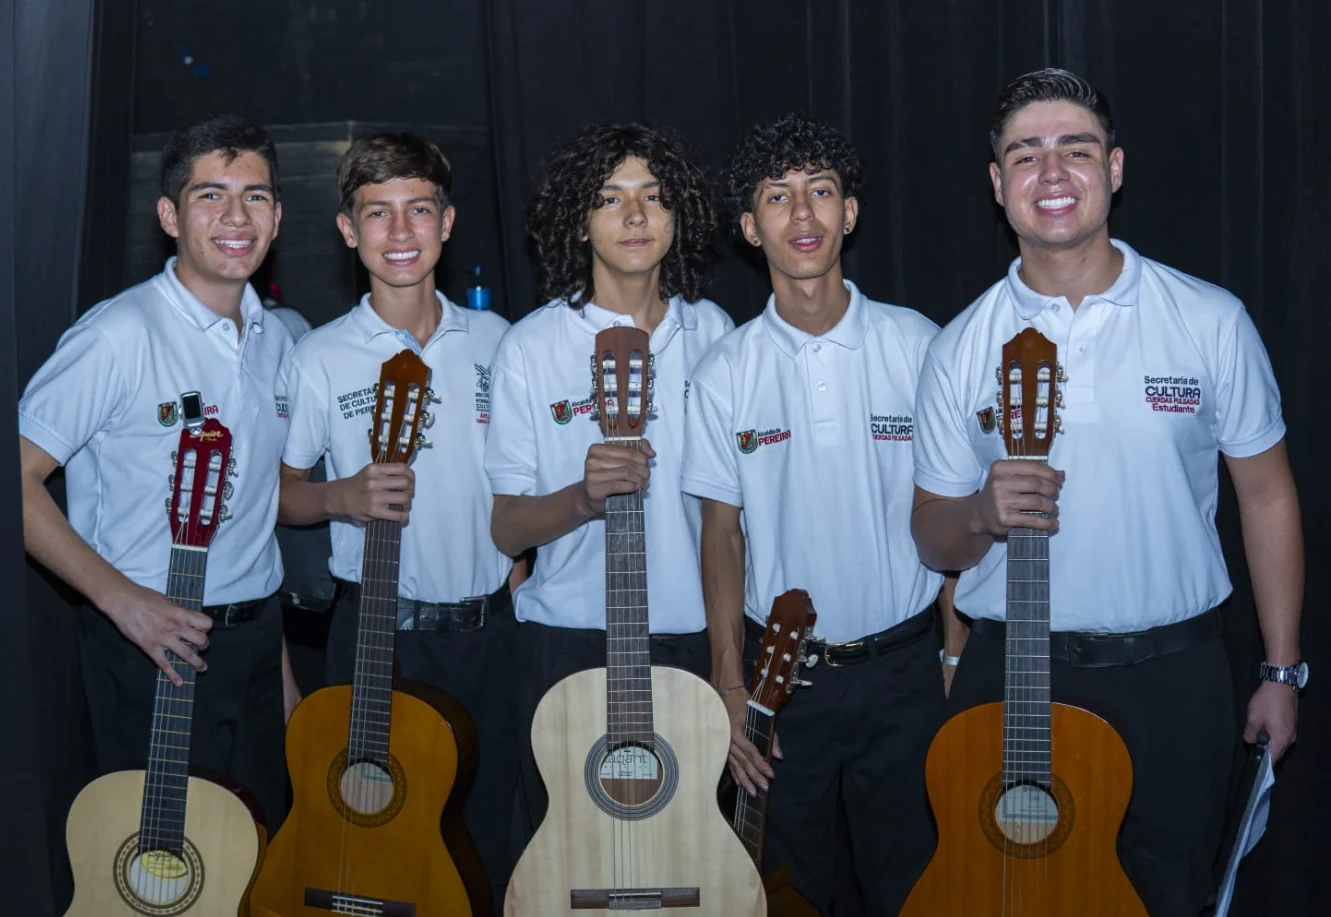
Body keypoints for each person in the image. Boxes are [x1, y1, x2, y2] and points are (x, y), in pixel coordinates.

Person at [910, 68, 1304, 917]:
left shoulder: (1207, 319)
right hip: (1011, 677)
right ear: (996, 184)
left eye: (1075, 149)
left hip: (1170, 679)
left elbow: (1267, 496)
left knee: (1166, 897)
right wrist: (979, 512)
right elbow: (932, 540)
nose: (1051, 173)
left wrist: (1281, 668)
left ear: (1114, 169)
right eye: (1025, 155)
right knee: (1001, 898)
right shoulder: (957, 346)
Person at [680, 111, 951, 914]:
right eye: (777, 197)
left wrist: (952, 656)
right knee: (790, 892)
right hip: (780, 682)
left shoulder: (918, 345)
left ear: (851, 212)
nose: (802, 215)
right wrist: (730, 687)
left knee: (918, 887)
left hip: (907, 672)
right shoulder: (724, 370)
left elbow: (948, 518)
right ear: (748, 227)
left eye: (821, 191)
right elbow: (720, 536)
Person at [18, 114, 301, 832]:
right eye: (211, 195)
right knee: (164, 874)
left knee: (264, 859)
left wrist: (281, 667)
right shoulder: (117, 335)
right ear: (170, 215)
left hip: (255, 645)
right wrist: (121, 600)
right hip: (149, 648)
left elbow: (257, 519)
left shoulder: (281, 338)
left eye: (256, 195)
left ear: (277, 215)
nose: (236, 216)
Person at [276, 131, 517, 909]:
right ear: (349, 231)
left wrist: (519, 561)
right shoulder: (319, 355)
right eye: (378, 214)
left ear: (447, 223)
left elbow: (527, 479)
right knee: (373, 836)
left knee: (492, 836)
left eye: (419, 210)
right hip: (377, 632)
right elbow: (278, 494)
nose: (401, 232)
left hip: (490, 633)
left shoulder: (497, 340)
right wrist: (337, 496)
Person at [484, 122, 733, 845]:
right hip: (566, 640)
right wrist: (581, 499)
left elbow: (734, 515)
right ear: (578, 220)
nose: (633, 216)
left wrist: (730, 657)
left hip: (692, 637)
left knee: (687, 856)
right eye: (609, 198)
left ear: (677, 213)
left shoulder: (713, 333)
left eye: (652, 197)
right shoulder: (531, 345)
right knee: (569, 857)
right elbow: (505, 529)